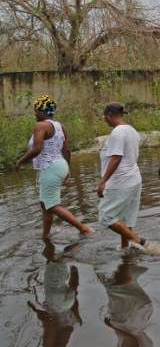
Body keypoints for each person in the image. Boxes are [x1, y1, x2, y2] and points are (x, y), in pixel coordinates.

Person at [15, 95, 93, 239]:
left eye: (35, 110)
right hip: (60, 165)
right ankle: (46, 235)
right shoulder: (60, 126)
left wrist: (20, 161)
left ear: (41, 110)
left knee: (51, 205)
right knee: (46, 205)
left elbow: (37, 149)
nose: (34, 113)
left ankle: (83, 228)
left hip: (49, 167)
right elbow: (67, 151)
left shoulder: (41, 125)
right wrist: (67, 170)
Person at [96, 102, 160, 254]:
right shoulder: (131, 130)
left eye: (104, 117)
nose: (104, 120)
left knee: (106, 217)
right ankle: (125, 248)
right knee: (126, 219)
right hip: (134, 179)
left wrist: (103, 181)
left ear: (109, 115)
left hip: (120, 182)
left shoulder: (118, 133)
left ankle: (142, 243)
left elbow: (116, 158)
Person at [27, 241, 83, 347]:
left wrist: (75, 279)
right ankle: (82, 241)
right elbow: (50, 325)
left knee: (63, 277)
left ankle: (52, 243)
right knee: (56, 263)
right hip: (56, 304)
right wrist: (37, 312)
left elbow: (69, 326)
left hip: (69, 309)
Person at [98, 260, 155, 347]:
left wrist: (112, 326)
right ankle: (130, 253)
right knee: (119, 281)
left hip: (122, 314)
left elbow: (122, 334)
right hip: (136, 310)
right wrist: (114, 326)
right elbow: (136, 332)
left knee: (112, 281)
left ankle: (127, 253)